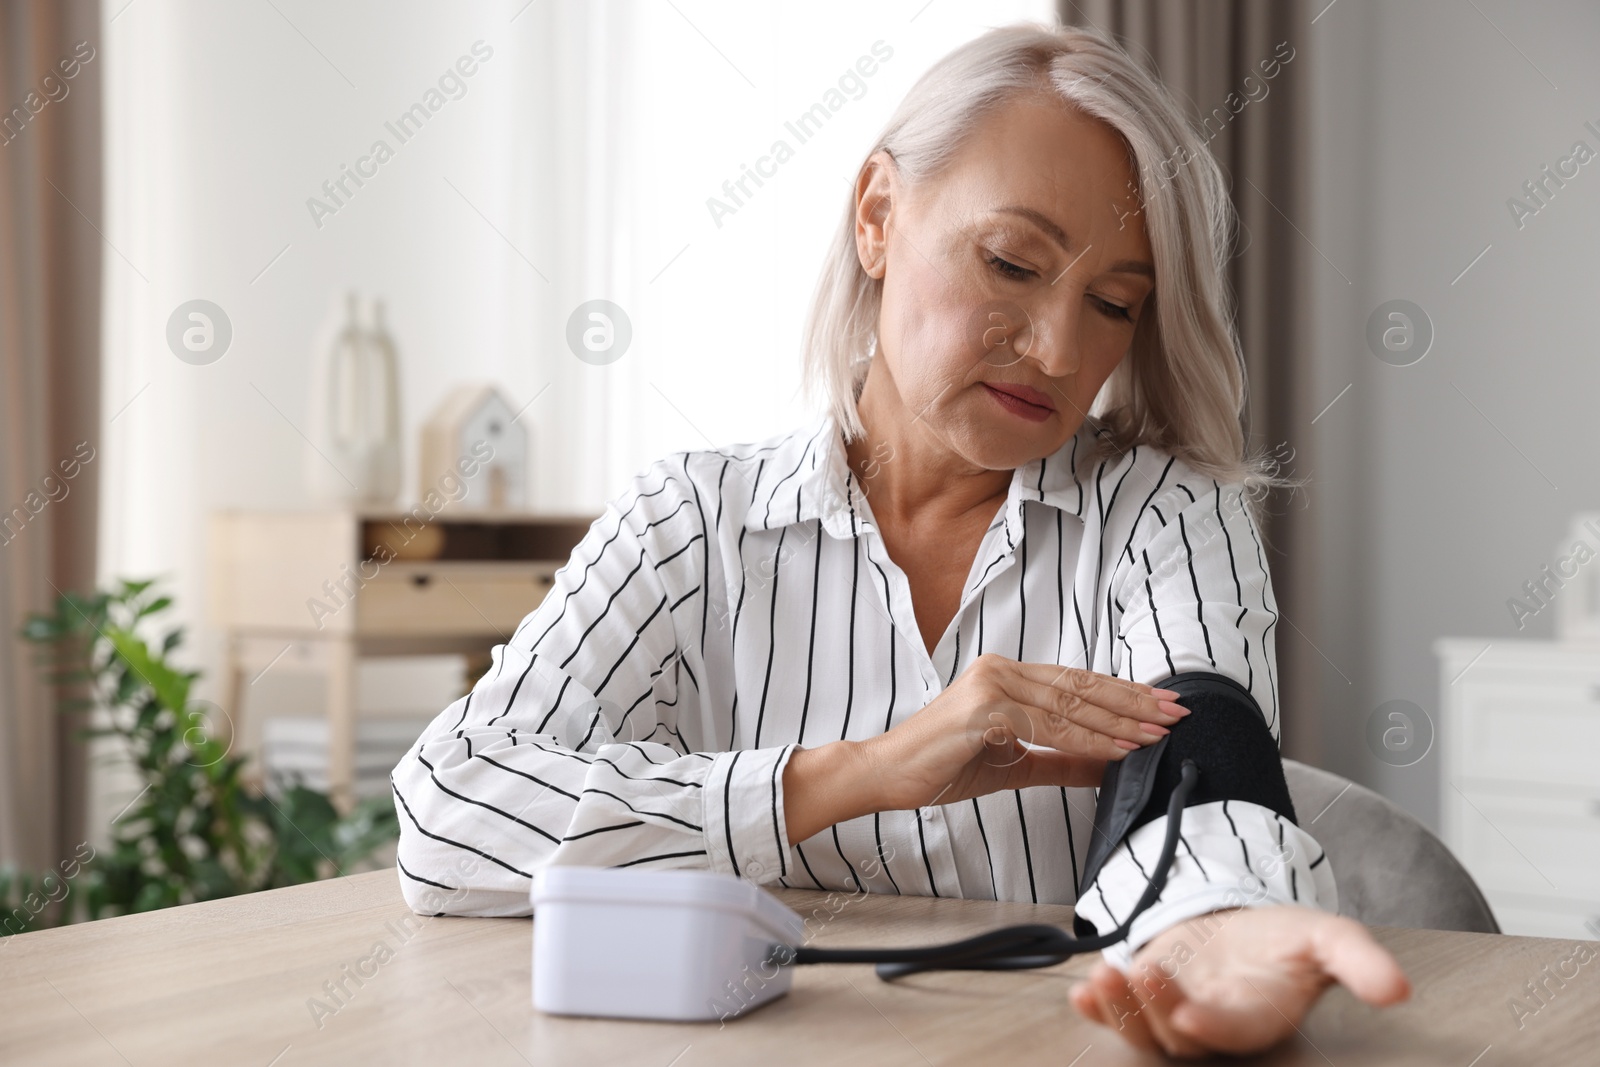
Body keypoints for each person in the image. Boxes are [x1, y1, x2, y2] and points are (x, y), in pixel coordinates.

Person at [391, 21, 1410, 1057]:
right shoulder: (690, 521)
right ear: (879, 215)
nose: (1060, 349)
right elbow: (448, 811)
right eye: (1013, 262)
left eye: (1112, 305)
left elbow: (1200, 758)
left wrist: (1213, 930)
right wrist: (853, 772)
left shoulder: (1164, 514)